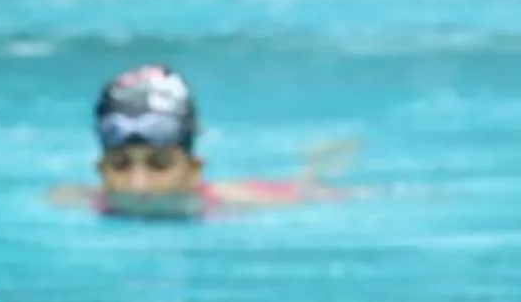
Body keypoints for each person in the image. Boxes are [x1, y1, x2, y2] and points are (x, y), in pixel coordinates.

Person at [48, 64, 357, 218]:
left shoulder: (237, 203)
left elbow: (317, 196)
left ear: (194, 169)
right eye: (121, 165)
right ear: (100, 170)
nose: (138, 183)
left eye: (159, 164)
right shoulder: (74, 201)